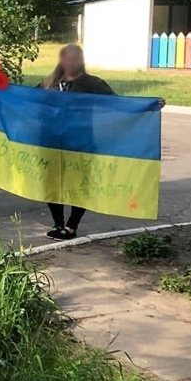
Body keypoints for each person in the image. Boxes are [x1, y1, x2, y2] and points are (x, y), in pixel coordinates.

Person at [37, 43, 113, 241]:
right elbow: (27, 100)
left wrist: (150, 105)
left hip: (81, 143)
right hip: (52, 143)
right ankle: (58, 224)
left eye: (75, 58)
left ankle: (72, 226)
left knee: (79, 185)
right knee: (53, 184)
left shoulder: (93, 84)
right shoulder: (48, 83)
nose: (71, 62)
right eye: (67, 58)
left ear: (81, 60)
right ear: (61, 60)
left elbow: (117, 103)